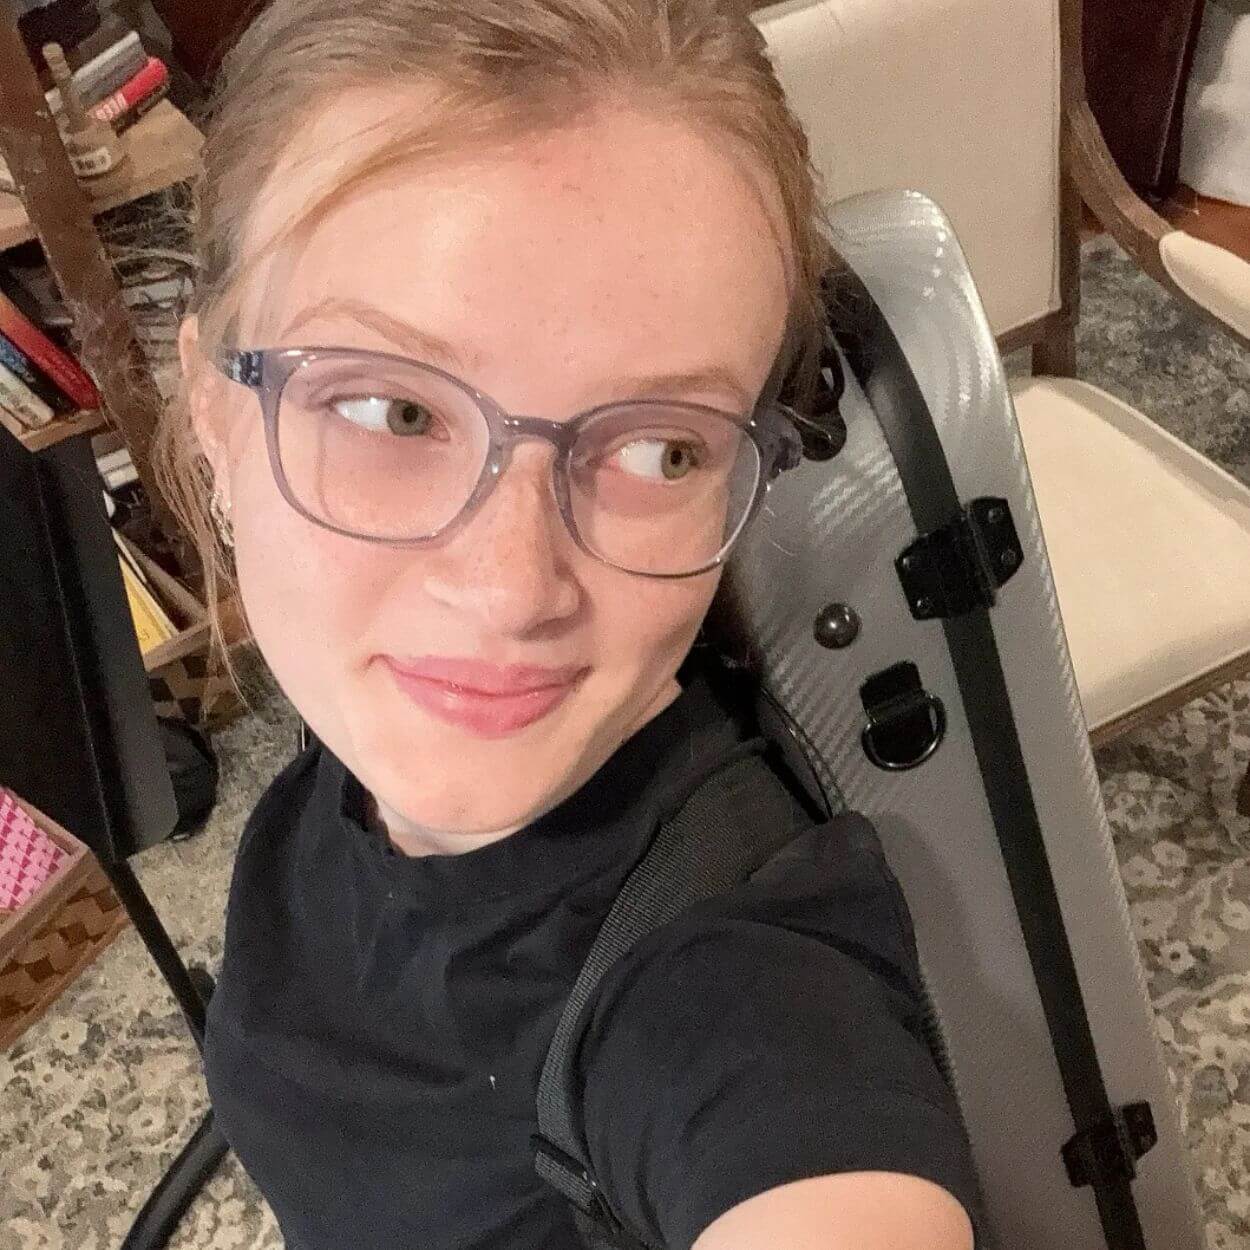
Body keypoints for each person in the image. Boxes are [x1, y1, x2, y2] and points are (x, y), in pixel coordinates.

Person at [165, 0, 983, 1245]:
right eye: (393, 412)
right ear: (213, 411)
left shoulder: (729, 993)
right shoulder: (359, 745)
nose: (513, 590)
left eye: (660, 446)